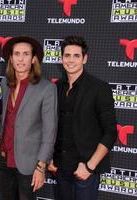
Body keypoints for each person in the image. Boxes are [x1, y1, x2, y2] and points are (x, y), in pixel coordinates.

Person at [48, 36, 117, 200]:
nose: (71, 60)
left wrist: (89, 166)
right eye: (67, 55)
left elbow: (110, 132)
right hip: (60, 168)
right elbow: (52, 126)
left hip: (85, 170)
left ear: (85, 59)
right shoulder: (55, 88)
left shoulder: (99, 88)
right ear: (61, 58)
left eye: (76, 56)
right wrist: (49, 158)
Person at [0, 36, 58, 200]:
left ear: (34, 59)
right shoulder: (5, 83)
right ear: (11, 57)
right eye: (16, 54)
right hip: (4, 160)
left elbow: (49, 131)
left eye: (25, 54)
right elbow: (5, 117)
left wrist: (41, 166)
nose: (20, 59)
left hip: (29, 164)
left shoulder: (47, 88)